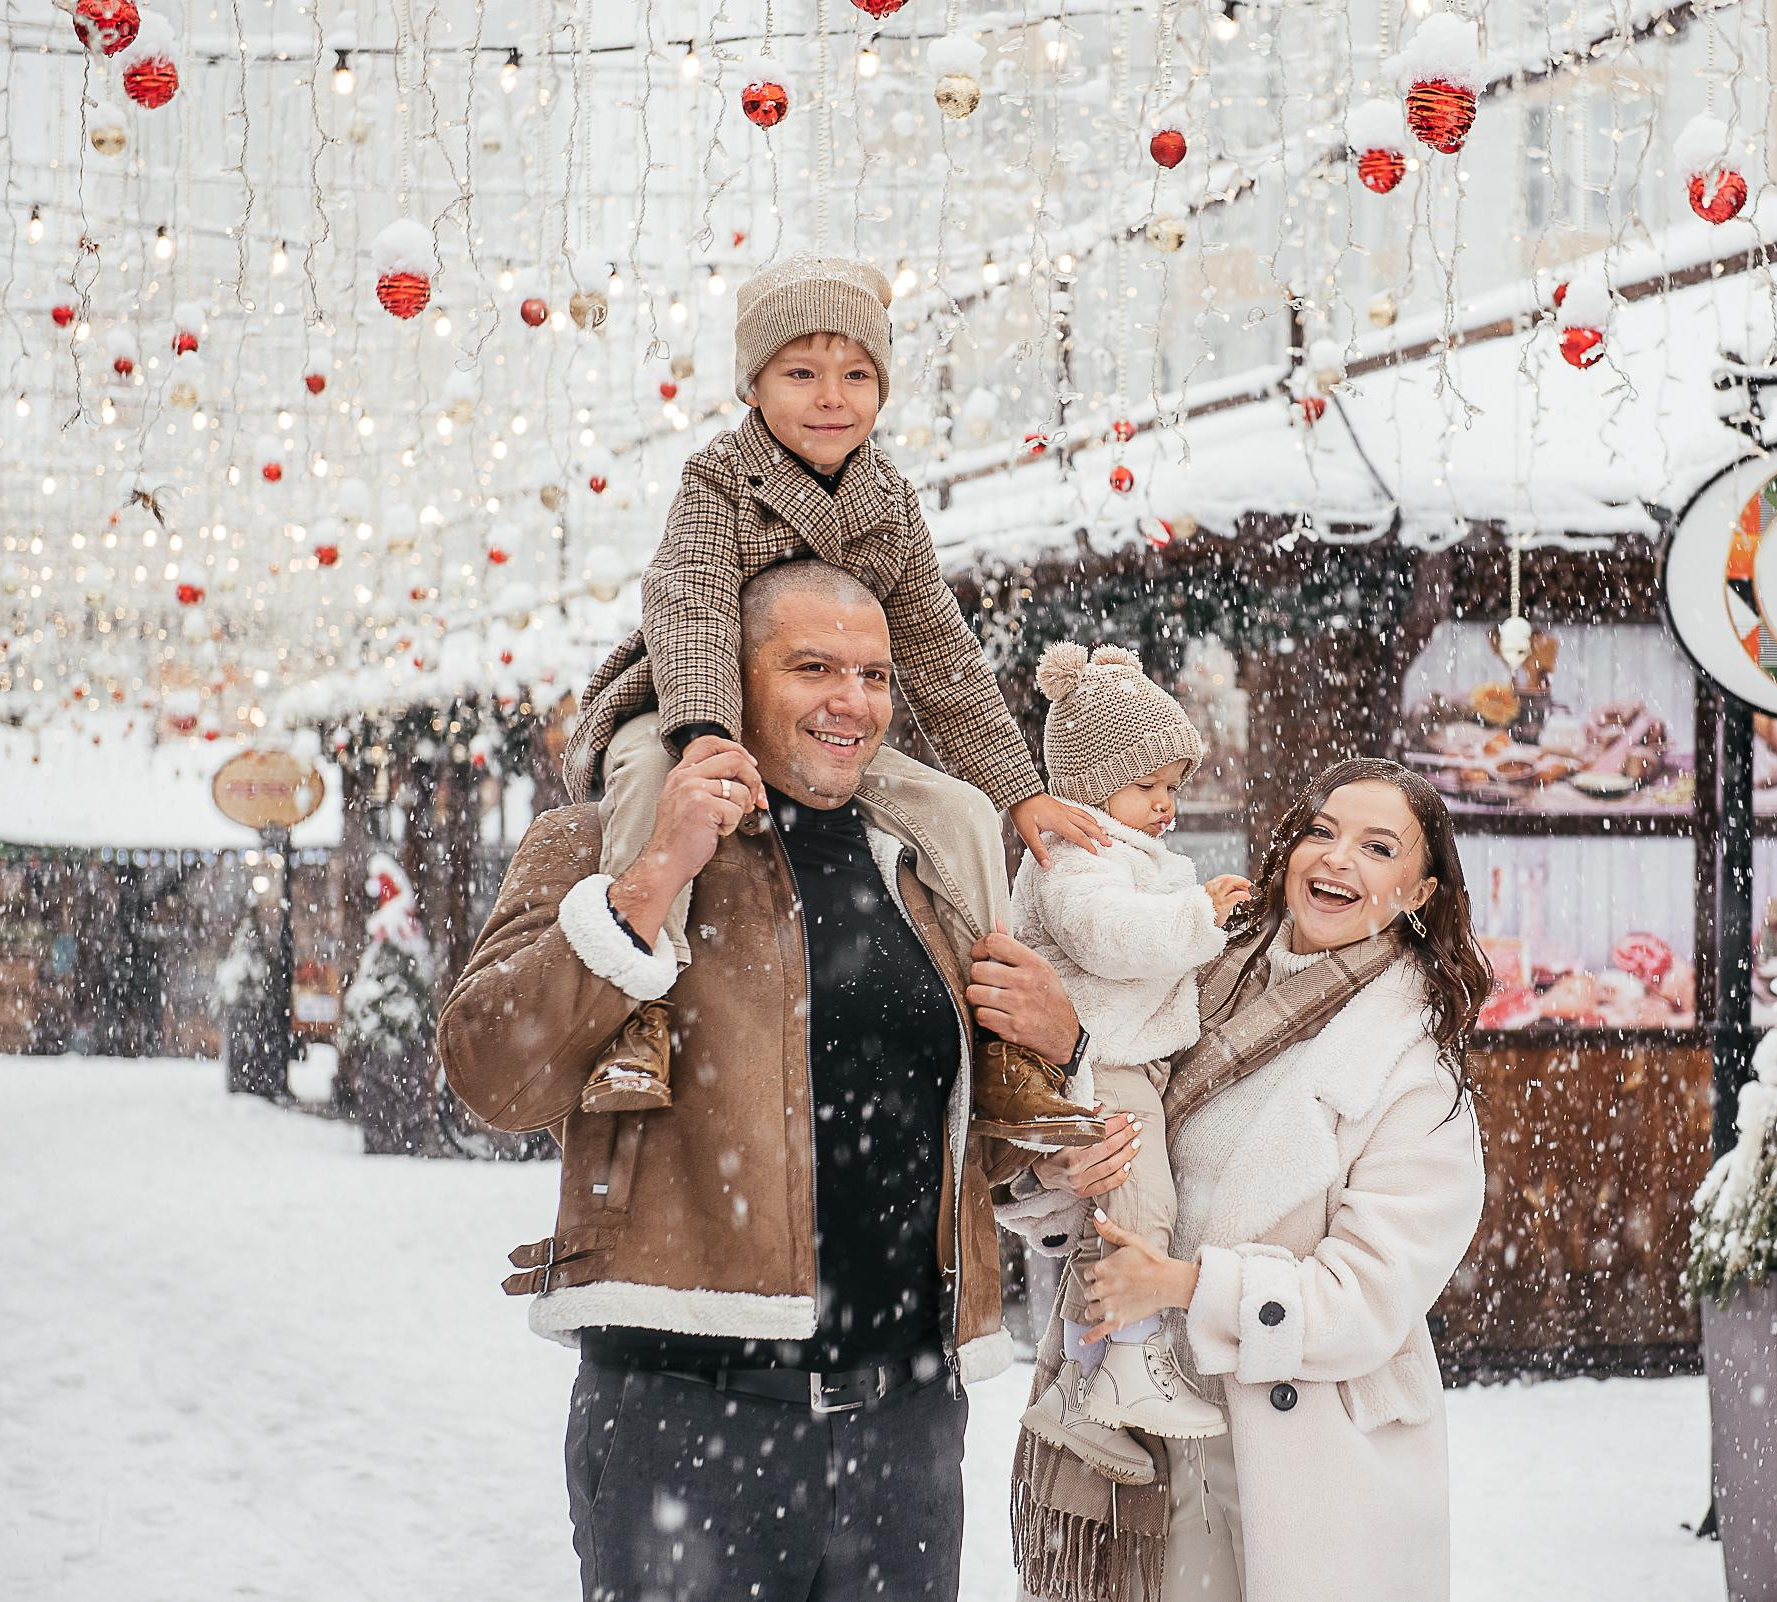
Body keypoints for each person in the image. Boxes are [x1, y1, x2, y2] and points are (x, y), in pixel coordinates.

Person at [439, 560, 1095, 1602]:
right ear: (728, 681)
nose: (853, 702)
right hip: (688, 1419)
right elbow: (490, 1076)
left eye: (875, 675)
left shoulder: (924, 869)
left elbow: (978, 1157)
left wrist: (1063, 1048)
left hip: (907, 1433)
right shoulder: (602, 840)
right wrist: (651, 880)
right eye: (813, 668)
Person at [562, 252, 1105, 1137]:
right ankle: (639, 1007)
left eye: (857, 375)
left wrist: (1019, 790)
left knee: (961, 813)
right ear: (752, 385)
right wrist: (704, 734)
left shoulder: (889, 501)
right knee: (653, 783)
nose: (832, 398)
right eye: (801, 374)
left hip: (827, 730)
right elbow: (693, 604)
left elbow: (938, 648)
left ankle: (1001, 1042)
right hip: (688, 703)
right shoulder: (718, 481)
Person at [997, 758, 1491, 1602]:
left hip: (1294, 1462)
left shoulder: (1416, 1075)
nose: (1337, 858)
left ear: (1420, 893)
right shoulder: (1191, 979)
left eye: (1378, 848)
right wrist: (1060, 1167)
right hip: (1130, 1424)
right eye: (1321, 832)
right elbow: (1117, 1169)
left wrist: (1186, 1286)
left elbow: (1367, 1300)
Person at [1006, 642, 1256, 1483]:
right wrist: (1196, 915)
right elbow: (1108, 939)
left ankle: (1080, 1389)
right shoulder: (1074, 855)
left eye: (1174, 787)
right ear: (1093, 782)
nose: (1166, 804)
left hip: (1121, 1056)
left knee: (1103, 1229)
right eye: (1148, 785)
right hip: (1100, 1061)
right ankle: (1130, 1361)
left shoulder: (1119, 852)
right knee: (1142, 1209)